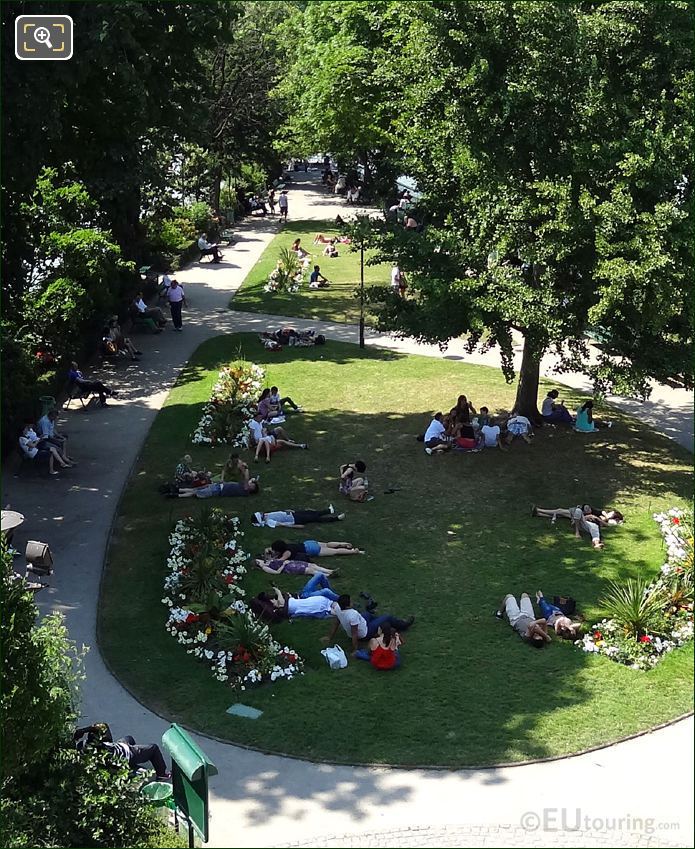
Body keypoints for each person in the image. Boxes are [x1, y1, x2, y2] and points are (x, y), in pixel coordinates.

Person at [323, 594, 414, 656]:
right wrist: (355, 649)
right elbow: (355, 634)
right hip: (365, 632)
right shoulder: (352, 615)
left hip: (362, 622)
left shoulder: (338, 608)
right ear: (347, 606)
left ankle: (381, 623)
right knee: (387, 616)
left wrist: (329, 637)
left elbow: (336, 623)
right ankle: (403, 625)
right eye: (351, 601)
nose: (352, 601)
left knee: (367, 614)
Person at [73, 723, 170, 780]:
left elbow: (103, 727)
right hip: (127, 755)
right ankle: (161, 774)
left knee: (129, 738)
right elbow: (103, 726)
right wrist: (83, 730)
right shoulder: (103, 751)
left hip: (119, 747)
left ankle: (134, 764)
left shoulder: (84, 746)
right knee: (153, 748)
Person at [252, 587, 334, 622]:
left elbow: (283, 600)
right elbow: (281, 602)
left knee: (326, 593)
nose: (274, 599)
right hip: (312, 604)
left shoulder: (283, 604)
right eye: (273, 600)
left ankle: (340, 602)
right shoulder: (281, 607)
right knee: (326, 594)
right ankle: (341, 603)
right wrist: (278, 591)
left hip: (309, 601)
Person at [267, 539, 364, 560]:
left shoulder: (287, 553)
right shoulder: (287, 546)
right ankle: (343, 543)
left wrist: (271, 559)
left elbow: (280, 561)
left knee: (335, 552)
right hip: (308, 543)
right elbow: (268, 549)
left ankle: (353, 552)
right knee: (327, 544)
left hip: (312, 550)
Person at [251, 507, 345, 528]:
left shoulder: (267, 516)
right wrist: (297, 526)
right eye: (261, 514)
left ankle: (328, 511)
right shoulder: (269, 522)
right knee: (314, 518)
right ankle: (336, 518)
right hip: (295, 520)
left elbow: (278, 513)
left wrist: (288, 511)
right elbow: (282, 524)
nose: (263, 513)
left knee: (311, 513)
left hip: (293, 514)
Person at [253, 558, 336, 577]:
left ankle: (330, 571)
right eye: (258, 560)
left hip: (290, 563)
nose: (260, 560)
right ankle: (327, 575)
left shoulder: (267, 561)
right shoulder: (265, 568)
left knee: (312, 565)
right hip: (288, 568)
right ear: (258, 563)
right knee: (309, 570)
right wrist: (284, 564)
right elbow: (277, 572)